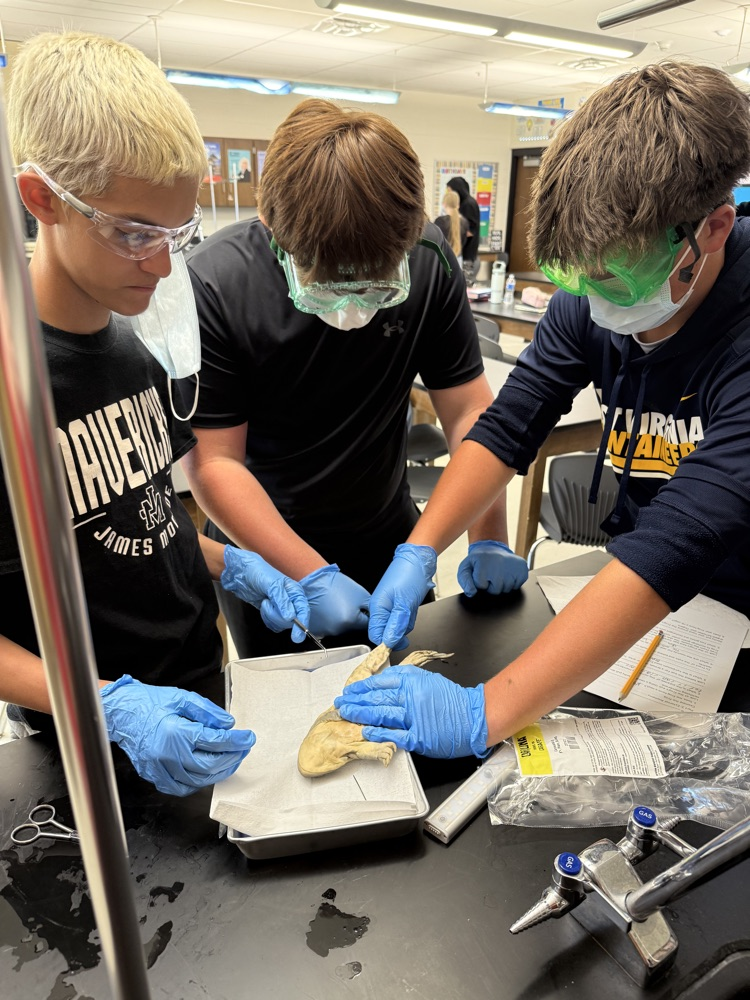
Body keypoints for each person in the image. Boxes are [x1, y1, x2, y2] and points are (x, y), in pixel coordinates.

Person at [335, 62, 750, 760]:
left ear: (711, 229)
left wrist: (488, 710)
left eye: (616, 277)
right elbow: (509, 426)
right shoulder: (591, 301)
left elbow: (691, 529)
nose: (594, 302)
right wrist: (421, 547)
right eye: (574, 278)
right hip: (662, 611)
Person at [3, 30, 312, 796]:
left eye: (178, 233)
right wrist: (105, 704)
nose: (166, 264)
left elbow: (145, 521)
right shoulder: (12, 381)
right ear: (41, 199)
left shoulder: (134, 346)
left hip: (198, 689)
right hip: (84, 733)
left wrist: (235, 563)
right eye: (136, 234)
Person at [184, 98, 529, 660]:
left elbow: (470, 413)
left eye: (376, 286)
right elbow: (216, 461)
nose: (352, 307)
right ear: (274, 228)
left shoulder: (427, 256)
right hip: (270, 557)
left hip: (393, 542)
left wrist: (486, 537)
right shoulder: (217, 283)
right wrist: (308, 573)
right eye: (329, 285)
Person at [446, 176, 480, 266]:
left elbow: (471, 230)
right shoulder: (468, 202)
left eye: (450, 190)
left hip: (466, 255)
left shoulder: (468, 204)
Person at [434, 189, 468, 265]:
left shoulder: (439, 221)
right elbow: (464, 242)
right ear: (458, 205)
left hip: (442, 260)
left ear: (444, 204)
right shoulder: (464, 222)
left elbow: (435, 242)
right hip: (458, 260)